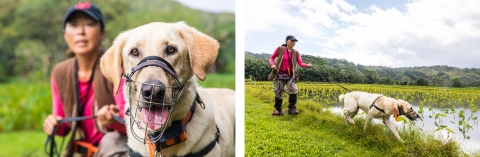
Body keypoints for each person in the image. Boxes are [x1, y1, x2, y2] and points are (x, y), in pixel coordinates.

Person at [42, 2, 128, 157]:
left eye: (88, 24)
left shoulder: (116, 67)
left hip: (118, 148)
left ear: (102, 33)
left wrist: (113, 119)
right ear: (65, 34)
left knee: (110, 140)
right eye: (74, 25)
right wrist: (54, 124)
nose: (81, 32)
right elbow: (65, 126)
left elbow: (132, 126)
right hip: (85, 151)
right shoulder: (60, 73)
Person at [269, 35, 312, 116]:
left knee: (293, 89)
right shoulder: (280, 49)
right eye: (291, 41)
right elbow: (271, 58)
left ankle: (292, 109)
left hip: (290, 75)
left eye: (294, 41)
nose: (293, 42)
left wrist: (307, 65)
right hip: (280, 74)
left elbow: (300, 63)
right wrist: (272, 65)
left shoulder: (296, 52)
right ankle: (278, 110)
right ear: (286, 41)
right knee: (278, 91)